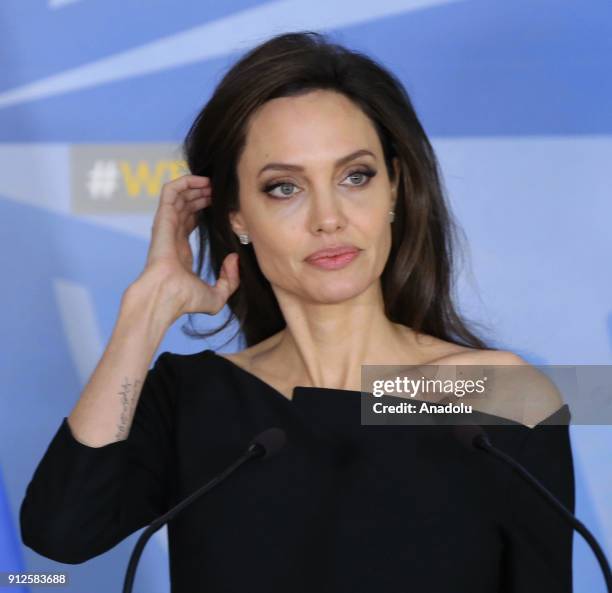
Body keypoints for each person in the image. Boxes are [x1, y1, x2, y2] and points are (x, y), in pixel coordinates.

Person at [20, 31, 574, 592]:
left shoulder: (499, 394)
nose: (328, 218)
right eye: (284, 188)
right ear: (237, 216)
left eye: (355, 176)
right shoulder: (195, 398)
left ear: (395, 189)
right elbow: (62, 533)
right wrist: (145, 310)